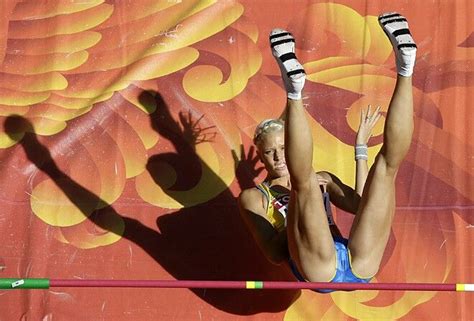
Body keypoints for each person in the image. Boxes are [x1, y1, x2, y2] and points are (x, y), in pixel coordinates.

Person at [238, 12, 416, 291]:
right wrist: (301, 214)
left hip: (356, 262)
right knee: (304, 183)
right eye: (270, 152)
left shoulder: (321, 179)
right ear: (260, 157)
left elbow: (362, 206)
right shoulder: (254, 197)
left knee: (386, 167)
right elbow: (274, 254)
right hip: (317, 265)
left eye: (284, 148)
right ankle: (293, 91)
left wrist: (360, 150)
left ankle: (405, 67)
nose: (278, 156)